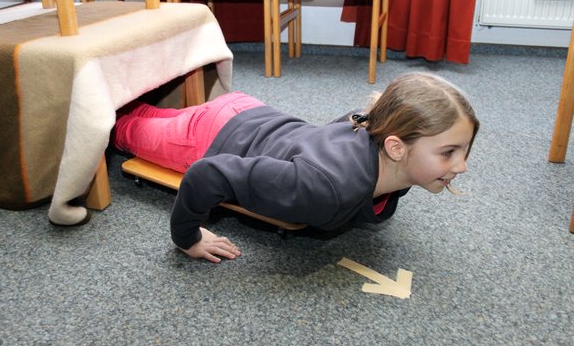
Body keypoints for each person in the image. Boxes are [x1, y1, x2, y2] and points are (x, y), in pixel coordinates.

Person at [113, 72, 479, 264]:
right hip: (207, 139)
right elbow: (207, 174)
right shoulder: (324, 192)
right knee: (115, 125)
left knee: (149, 112)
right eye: (448, 152)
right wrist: (187, 238)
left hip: (249, 112)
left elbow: (335, 130)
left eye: (463, 151)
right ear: (396, 148)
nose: (460, 166)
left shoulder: (380, 135)